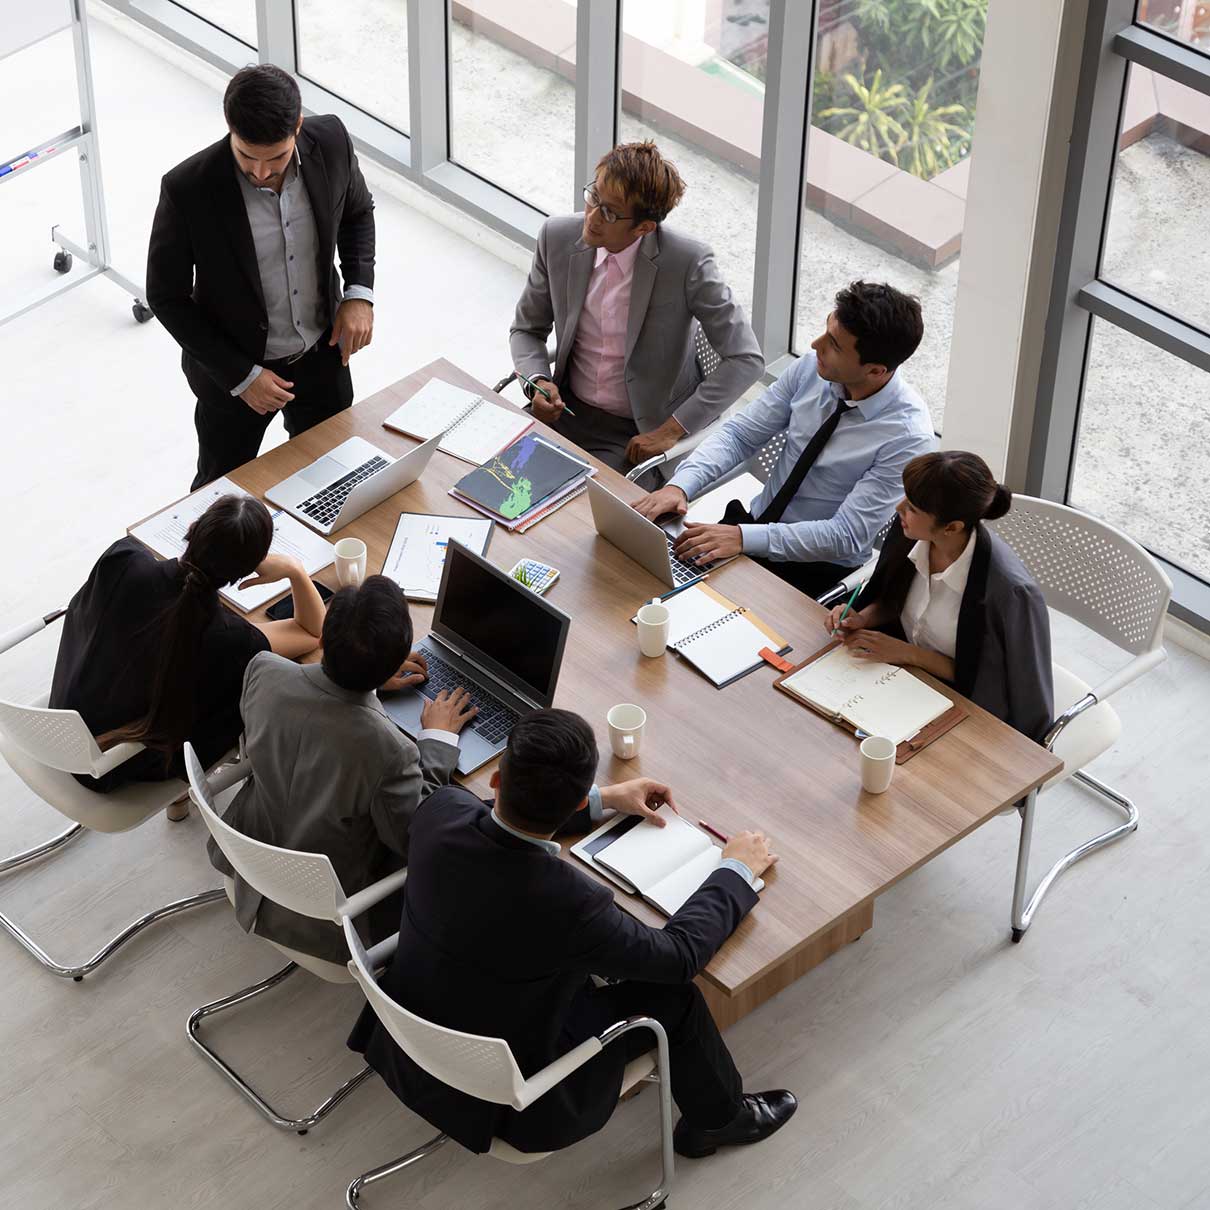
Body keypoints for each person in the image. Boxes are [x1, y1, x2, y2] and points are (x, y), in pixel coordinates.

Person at [348, 708, 796, 1159]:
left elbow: (486, 817)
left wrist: (606, 799)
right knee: (674, 999)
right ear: (578, 800)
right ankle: (720, 1120)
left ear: (498, 780)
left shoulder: (440, 812)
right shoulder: (571, 903)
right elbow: (679, 957)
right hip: (516, 1101)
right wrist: (736, 870)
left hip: (408, 1039)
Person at [207, 575, 478, 963]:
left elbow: (309, 723)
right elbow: (414, 837)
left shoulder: (262, 671)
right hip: (324, 917)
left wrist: (365, 679)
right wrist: (436, 740)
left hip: (248, 857)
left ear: (321, 639)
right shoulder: (390, 751)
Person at [147, 64, 376, 490]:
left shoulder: (331, 141)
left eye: (276, 158)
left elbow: (357, 212)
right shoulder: (188, 188)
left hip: (322, 355)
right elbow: (165, 295)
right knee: (219, 498)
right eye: (247, 156)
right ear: (229, 128)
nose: (260, 172)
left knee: (332, 480)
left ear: (299, 127)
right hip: (234, 375)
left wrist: (359, 293)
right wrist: (241, 376)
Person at [634, 280, 936, 599]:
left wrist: (744, 539)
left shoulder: (909, 439)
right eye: (825, 330)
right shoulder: (811, 369)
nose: (815, 345)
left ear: (876, 371)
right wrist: (681, 485)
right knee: (644, 588)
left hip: (813, 569)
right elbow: (740, 435)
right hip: (749, 529)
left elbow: (846, 535)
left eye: (834, 344)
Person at [509, 141, 764, 473]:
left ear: (644, 228)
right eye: (593, 196)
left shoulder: (688, 263)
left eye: (610, 212)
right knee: (486, 480)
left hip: (634, 435)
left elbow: (746, 359)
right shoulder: (555, 236)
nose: (592, 216)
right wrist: (537, 381)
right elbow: (527, 330)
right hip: (562, 411)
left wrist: (672, 430)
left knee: (581, 518)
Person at [49, 495, 325, 795]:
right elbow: (312, 631)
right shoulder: (232, 640)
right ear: (246, 571)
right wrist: (295, 570)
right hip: (109, 768)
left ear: (192, 528)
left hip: (58, 726)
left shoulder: (123, 560)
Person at [828, 450, 1054, 743]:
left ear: (952, 527)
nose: (898, 509)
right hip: (899, 679)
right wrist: (861, 617)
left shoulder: (1009, 593)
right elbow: (892, 600)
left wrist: (908, 653)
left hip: (962, 706)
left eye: (912, 507)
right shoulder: (911, 531)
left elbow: (994, 680)